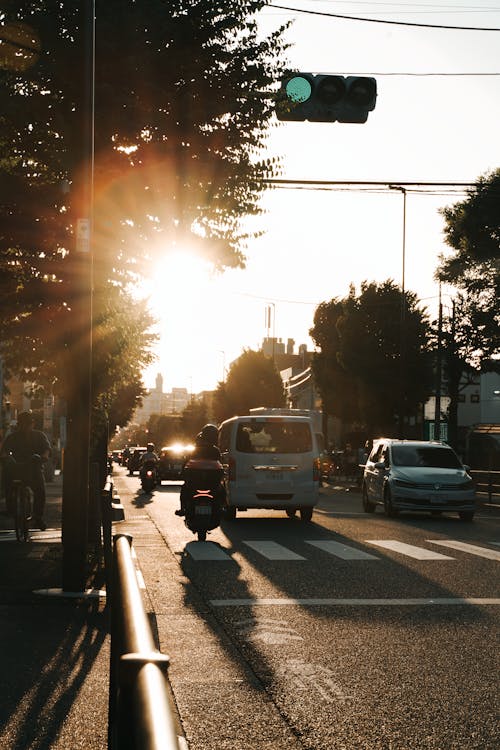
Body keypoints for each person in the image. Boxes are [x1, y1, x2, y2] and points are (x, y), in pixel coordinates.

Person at [1, 411, 51, 530]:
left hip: (34, 470)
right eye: (22, 424)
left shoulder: (39, 436)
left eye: (28, 424)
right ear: (19, 425)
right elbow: (4, 451)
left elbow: (46, 449)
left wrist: (44, 457)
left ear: (32, 424)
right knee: (7, 483)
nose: (25, 427)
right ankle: (10, 508)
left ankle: (38, 517)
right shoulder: (12, 437)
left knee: (40, 491)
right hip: (16, 469)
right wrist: (5, 457)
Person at [175, 424, 224, 516]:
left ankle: (182, 509)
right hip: (207, 483)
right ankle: (221, 508)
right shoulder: (215, 451)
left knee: (185, 489)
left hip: (202, 483)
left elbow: (185, 465)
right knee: (221, 490)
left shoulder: (196, 450)